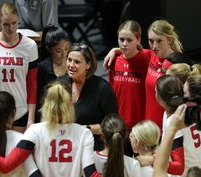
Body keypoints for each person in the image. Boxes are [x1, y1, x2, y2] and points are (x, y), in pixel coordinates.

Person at [0, 80, 102, 177]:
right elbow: (91, 173)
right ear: (71, 102)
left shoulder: (34, 131)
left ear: (46, 104)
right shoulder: (84, 133)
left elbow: (6, 166)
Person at [103, 19, 184, 130]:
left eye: (159, 41)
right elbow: (132, 50)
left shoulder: (176, 63)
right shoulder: (151, 55)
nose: (154, 45)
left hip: (167, 126)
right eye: (151, 41)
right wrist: (115, 50)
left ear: (169, 39)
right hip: (148, 126)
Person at [0, 3, 38, 132]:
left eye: (14, 23)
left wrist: (31, 119)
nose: (11, 28)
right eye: (6, 24)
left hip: (21, 110)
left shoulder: (30, 45)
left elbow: (32, 83)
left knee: (17, 151)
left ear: (19, 20)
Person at [59, 43, 118, 150]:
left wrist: (85, 129)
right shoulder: (59, 83)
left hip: (92, 148)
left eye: (77, 62)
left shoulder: (102, 89)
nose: (71, 65)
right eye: (69, 60)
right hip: (63, 147)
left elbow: (113, 125)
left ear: (88, 65)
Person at [108, 20, 150, 156]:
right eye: (121, 39)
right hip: (120, 126)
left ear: (138, 39)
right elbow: (113, 92)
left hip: (141, 127)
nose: (124, 44)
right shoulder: (114, 60)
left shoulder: (148, 60)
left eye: (129, 40)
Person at [156, 75, 185, 175]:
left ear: (161, 98)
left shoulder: (174, 122)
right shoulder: (187, 108)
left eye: (156, 91)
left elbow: (179, 167)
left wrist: (153, 161)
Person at [37, 25, 70, 114]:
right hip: (48, 112)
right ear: (49, 49)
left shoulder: (72, 65)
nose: (64, 54)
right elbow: (39, 96)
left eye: (66, 49)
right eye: (58, 51)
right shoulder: (42, 67)